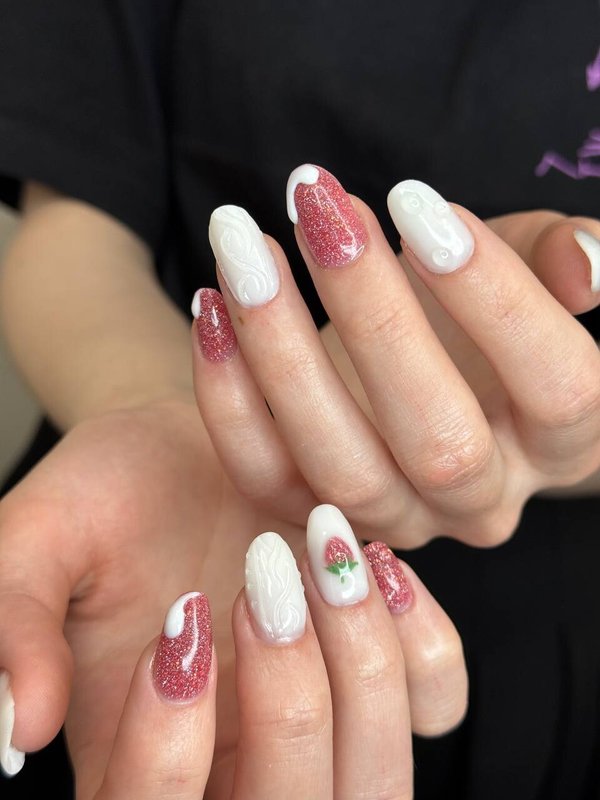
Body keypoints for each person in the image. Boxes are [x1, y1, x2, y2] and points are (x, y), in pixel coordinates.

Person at [0, 0, 599, 797]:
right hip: (154, 531)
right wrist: (170, 411)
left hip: (554, 625)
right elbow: (78, 224)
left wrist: (569, 432)